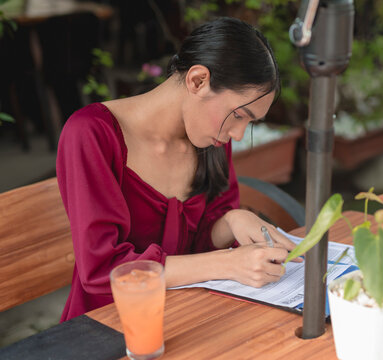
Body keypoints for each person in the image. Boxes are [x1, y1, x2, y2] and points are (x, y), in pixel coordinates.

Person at [56, 17, 300, 322]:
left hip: (188, 317)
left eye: (249, 123)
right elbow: (103, 270)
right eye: (239, 115)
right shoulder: (92, 134)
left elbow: (200, 242)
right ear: (197, 80)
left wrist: (234, 220)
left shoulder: (210, 139)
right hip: (110, 327)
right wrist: (227, 263)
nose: (238, 135)